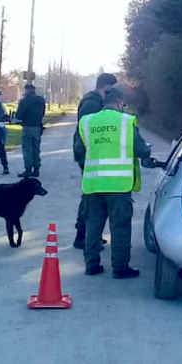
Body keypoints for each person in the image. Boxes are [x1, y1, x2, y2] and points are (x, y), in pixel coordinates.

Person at [73, 86, 152, 279]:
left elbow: (78, 150)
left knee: (93, 226)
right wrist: (147, 149)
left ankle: (91, 265)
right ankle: (120, 268)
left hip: (92, 185)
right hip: (118, 185)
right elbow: (142, 150)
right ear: (119, 103)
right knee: (120, 227)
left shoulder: (87, 121)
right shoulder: (125, 122)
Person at [72, 72, 118, 248]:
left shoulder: (95, 101)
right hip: (88, 153)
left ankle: (89, 235)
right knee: (90, 196)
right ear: (105, 87)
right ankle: (82, 235)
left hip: (90, 153)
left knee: (92, 194)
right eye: (111, 90)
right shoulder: (92, 103)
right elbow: (88, 130)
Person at [13, 84, 47, 178]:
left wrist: (17, 119)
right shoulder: (41, 100)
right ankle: (36, 169)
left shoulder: (24, 101)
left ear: (26, 90)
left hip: (27, 127)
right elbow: (43, 112)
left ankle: (28, 169)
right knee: (36, 149)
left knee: (27, 149)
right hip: (38, 127)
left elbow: (19, 115)